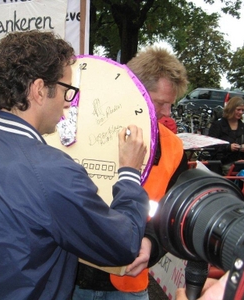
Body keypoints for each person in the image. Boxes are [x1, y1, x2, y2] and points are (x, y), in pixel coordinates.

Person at [0, 30, 149, 300]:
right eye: (68, 91)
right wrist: (130, 174)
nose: (68, 104)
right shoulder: (51, 170)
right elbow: (122, 244)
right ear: (40, 90)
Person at [73, 46, 189, 299]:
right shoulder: (76, 131)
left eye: (171, 104)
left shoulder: (173, 147)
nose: (167, 113)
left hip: (129, 283)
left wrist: (152, 244)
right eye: (160, 103)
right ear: (133, 92)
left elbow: (171, 214)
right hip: (69, 278)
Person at [208, 96, 244, 175]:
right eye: (238, 110)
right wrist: (228, 147)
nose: (241, 112)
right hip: (220, 166)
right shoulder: (217, 125)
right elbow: (210, 146)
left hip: (239, 166)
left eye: (242, 110)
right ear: (231, 109)